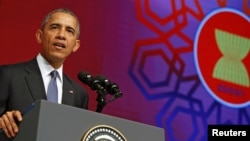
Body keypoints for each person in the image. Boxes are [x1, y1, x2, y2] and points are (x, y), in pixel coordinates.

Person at [0, 8, 89, 139]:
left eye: (69, 31)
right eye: (54, 27)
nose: (61, 35)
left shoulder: (79, 95)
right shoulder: (8, 76)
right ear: (39, 36)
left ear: (76, 45)